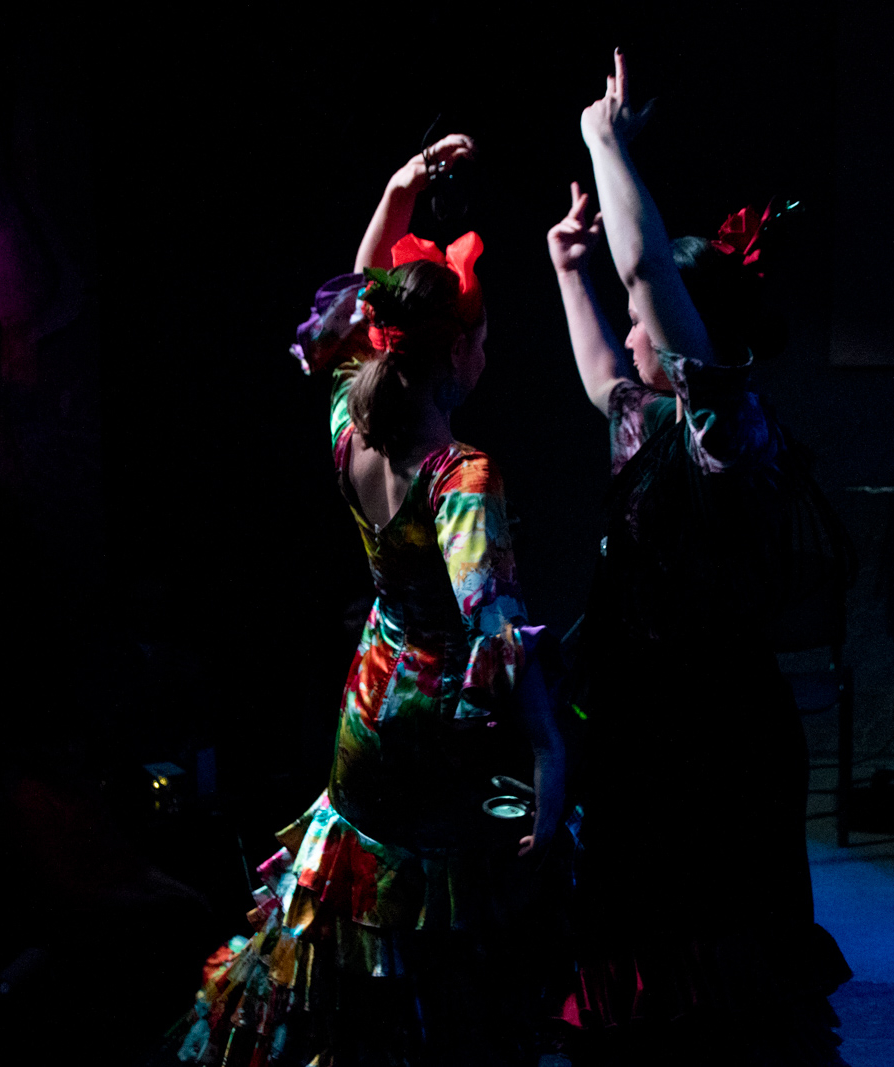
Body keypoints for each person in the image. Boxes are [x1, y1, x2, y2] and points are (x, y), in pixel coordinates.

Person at [172, 134, 566, 1067]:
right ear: (464, 350)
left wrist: (395, 191)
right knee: (439, 929)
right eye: (486, 333)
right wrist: (549, 743)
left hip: (366, 702)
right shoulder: (461, 473)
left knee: (355, 905)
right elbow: (494, 624)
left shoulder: (354, 421)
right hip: (433, 721)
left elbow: (361, 295)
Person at [543, 51, 852, 1067]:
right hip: (645, 721)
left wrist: (605, 137)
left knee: (723, 958)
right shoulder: (653, 420)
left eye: (648, 324)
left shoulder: (724, 423)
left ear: (690, 336)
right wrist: (564, 268)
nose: (634, 334)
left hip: (714, 730)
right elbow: (601, 377)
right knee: (641, 939)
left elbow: (650, 277)